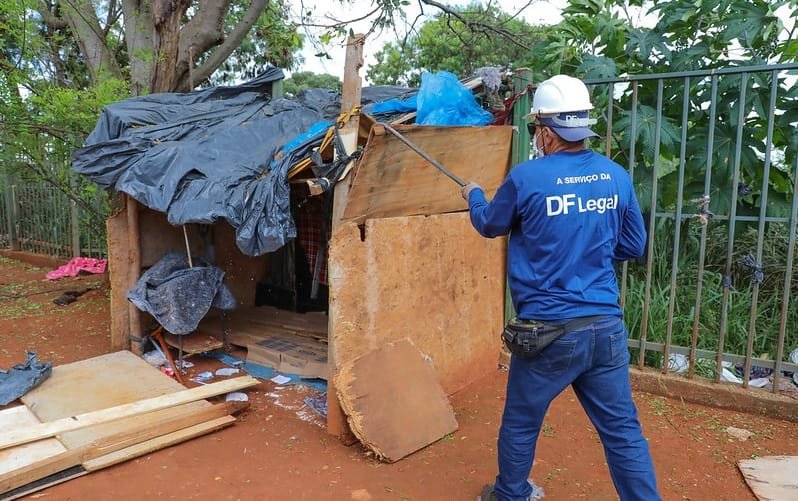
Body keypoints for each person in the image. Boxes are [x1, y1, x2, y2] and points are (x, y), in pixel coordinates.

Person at [462, 75, 660, 501]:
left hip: (548, 334)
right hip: (605, 330)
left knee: (521, 421)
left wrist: (474, 195)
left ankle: (511, 494)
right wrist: (587, 248)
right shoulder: (616, 176)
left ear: (548, 132)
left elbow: (489, 224)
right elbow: (632, 245)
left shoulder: (526, 178)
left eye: (537, 129)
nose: (537, 136)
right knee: (623, 431)